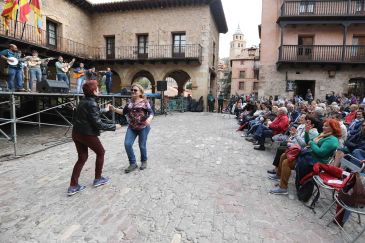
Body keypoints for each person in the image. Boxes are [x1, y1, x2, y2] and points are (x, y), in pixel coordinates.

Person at [68, 74, 117, 196]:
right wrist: (114, 126)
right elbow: (98, 124)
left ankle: (73, 186)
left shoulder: (83, 101)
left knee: (82, 157)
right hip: (87, 134)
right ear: (94, 91)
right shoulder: (92, 104)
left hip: (76, 133)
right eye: (98, 88)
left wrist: (105, 110)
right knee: (101, 152)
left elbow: (92, 113)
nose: (99, 90)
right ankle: (98, 178)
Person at [110, 83, 154, 173]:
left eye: (135, 90)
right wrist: (114, 109)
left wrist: (149, 119)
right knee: (127, 144)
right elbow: (123, 112)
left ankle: (144, 161)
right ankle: (133, 163)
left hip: (143, 127)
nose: (133, 91)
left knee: (142, 145)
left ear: (140, 92)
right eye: (132, 90)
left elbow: (151, 113)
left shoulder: (145, 102)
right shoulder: (129, 102)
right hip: (132, 127)